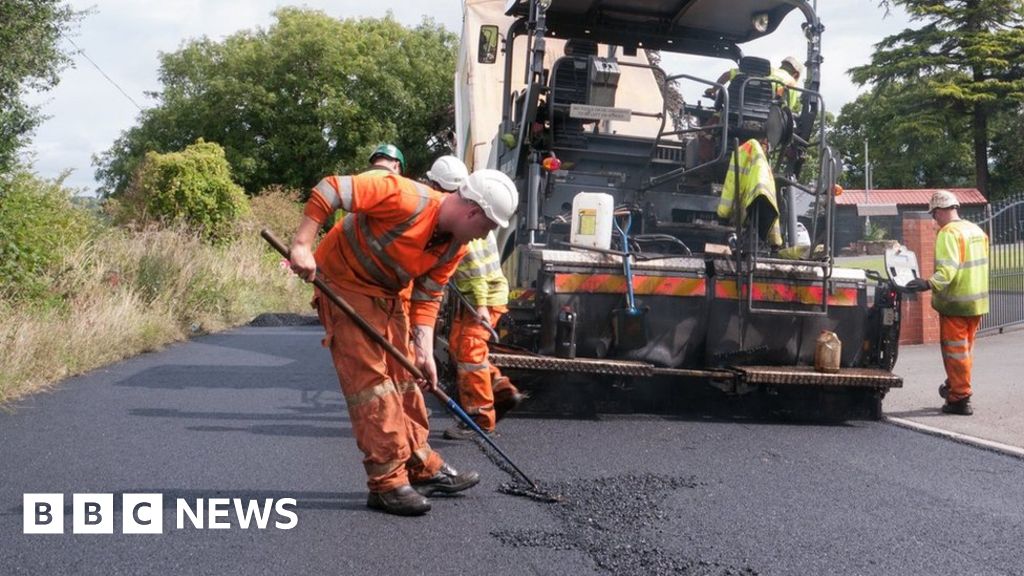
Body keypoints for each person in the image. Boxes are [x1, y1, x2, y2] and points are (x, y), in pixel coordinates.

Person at [288, 157, 519, 516]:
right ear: (473, 212)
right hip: (343, 284)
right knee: (373, 386)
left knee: (408, 377)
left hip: (389, 294)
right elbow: (330, 188)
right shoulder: (405, 196)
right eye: (488, 227)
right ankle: (387, 484)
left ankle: (420, 465)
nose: (486, 236)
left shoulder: (453, 245)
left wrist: (423, 351)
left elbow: (428, 296)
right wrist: (302, 245)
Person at [424, 156, 526, 440]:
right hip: (477, 295)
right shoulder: (474, 210)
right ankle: (502, 390)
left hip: (484, 296)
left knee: (469, 351)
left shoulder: (468, 222)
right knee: (462, 350)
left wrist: (481, 306)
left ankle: (479, 419)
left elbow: (478, 272)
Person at [905, 190, 989, 416]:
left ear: (941, 211)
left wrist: (926, 283)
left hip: (956, 304)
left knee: (955, 353)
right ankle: (955, 383)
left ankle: (959, 398)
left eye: (934, 215)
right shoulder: (976, 230)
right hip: (977, 303)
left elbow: (948, 271)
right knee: (965, 351)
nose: (934, 220)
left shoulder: (948, 233)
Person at [717, 138, 783, 249]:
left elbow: (731, 183)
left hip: (748, 209)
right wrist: (775, 243)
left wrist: (723, 214)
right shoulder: (767, 170)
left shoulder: (741, 152)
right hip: (759, 210)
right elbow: (773, 204)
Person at [704, 55, 804, 111]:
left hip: (733, 112)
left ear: (781, 66)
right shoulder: (791, 83)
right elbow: (786, 111)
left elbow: (726, 75)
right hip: (765, 121)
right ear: (796, 75)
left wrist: (713, 90)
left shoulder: (765, 71)